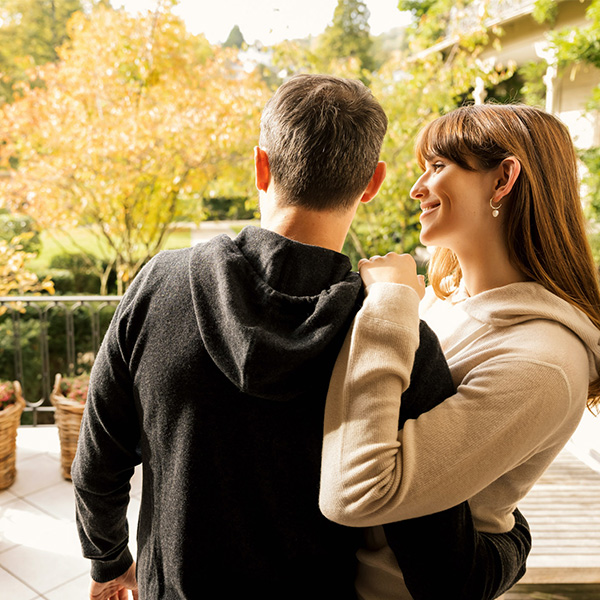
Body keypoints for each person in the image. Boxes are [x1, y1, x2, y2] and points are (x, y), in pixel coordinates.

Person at [72, 73, 394, 600]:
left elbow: (98, 458)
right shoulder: (388, 329)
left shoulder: (160, 284)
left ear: (260, 166)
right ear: (372, 182)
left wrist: (109, 560)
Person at [319, 103, 600, 600]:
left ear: (503, 179)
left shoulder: (543, 362)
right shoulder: (444, 305)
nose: (417, 187)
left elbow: (357, 494)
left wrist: (388, 305)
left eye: (438, 166)